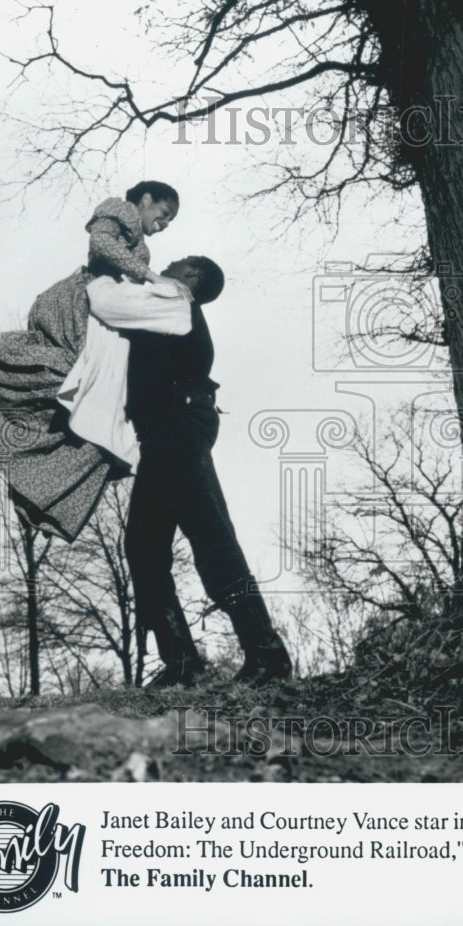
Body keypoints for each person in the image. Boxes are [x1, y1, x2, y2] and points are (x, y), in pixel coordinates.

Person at [86, 259, 292, 689]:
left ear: (193, 274)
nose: (169, 262)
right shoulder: (162, 306)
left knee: (210, 535)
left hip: (178, 427)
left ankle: (266, 652)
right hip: (162, 432)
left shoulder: (174, 297)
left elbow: (108, 308)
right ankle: (181, 663)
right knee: (143, 546)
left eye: (180, 261)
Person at [0, 181, 182, 541]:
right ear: (145, 200)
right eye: (164, 215)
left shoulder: (141, 244)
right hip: (80, 301)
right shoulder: (119, 208)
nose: (165, 224)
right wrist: (150, 276)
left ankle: (35, 490)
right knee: (76, 381)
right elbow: (100, 243)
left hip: (96, 310)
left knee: (73, 406)